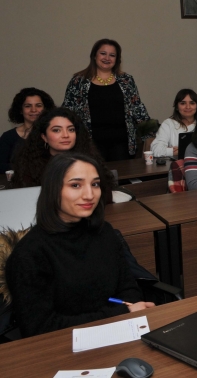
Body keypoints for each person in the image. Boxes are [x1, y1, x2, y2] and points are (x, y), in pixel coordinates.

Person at [5, 152, 153, 338]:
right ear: (53, 189)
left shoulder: (105, 232)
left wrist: (128, 310)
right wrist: (119, 314)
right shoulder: (30, 254)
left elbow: (129, 289)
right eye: (76, 185)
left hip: (119, 333)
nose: (89, 195)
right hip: (63, 349)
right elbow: (41, 328)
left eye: (95, 184)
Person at [63, 39, 151, 161]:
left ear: (117, 59)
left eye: (112, 55)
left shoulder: (126, 80)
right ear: (94, 55)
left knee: (122, 178)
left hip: (121, 143)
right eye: (103, 53)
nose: (107, 58)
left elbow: (138, 108)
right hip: (89, 144)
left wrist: (150, 135)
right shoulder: (78, 81)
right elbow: (68, 112)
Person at [10, 108, 105, 188]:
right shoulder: (30, 165)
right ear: (44, 137)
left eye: (71, 129)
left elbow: (105, 193)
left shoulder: (89, 159)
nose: (65, 135)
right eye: (56, 130)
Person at [0, 88, 55, 171]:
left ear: (45, 109)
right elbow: (1, 166)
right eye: (28, 106)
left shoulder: (54, 134)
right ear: (20, 110)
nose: (33, 110)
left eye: (38, 105)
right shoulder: (8, 137)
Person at [150, 89, 197, 157]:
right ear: (176, 107)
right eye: (183, 103)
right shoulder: (168, 124)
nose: (188, 107)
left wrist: (181, 150)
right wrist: (172, 152)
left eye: (192, 103)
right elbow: (155, 150)